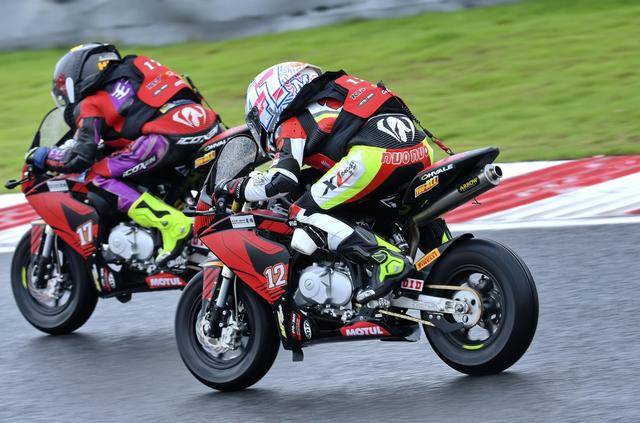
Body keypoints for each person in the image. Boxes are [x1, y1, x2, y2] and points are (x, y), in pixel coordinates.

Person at [217, 62, 435, 303]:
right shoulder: (334, 95)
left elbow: (282, 179)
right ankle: (442, 252)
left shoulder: (293, 121)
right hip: (421, 150)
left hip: (374, 158)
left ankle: (386, 260)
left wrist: (234, 187)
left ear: (271, 101)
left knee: (302, 212)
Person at [26, 43, 223, 266]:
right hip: (209, 126)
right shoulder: (137, 69)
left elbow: (79, 157)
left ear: (76, 79)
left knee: (95, 175)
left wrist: (43, 156)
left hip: (165, 138)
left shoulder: (91, 102)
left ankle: (170, 224)